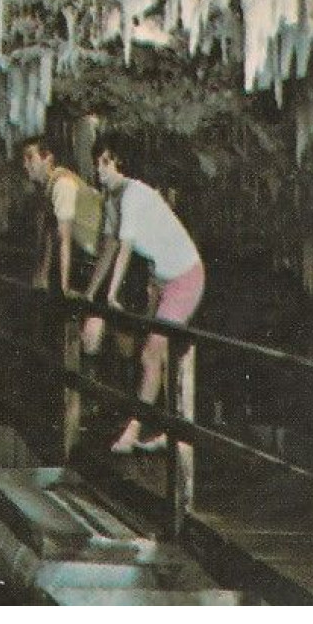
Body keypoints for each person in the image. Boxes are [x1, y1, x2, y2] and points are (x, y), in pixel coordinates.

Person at [92, 137, 206, 453]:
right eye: (98, 162)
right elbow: (112, 246)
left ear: (121, 165)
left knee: (150, 354)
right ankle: (174, 433)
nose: (99, 169)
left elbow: (125, 248)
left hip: (185, 277)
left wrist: (111, 294)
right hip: (162, 279)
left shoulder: (133, 195)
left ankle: (133, 431)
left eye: (106, 162)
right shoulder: (114, 198)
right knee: (158, 356)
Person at [19, 136, 103, 295]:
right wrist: (42, 275)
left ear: (48, 158)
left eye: (30, 158)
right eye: (24, 159)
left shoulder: (62, 185)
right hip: (95, 255)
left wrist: (63, 288)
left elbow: (63, 238)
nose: (25, 165)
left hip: (109, 256)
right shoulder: (49, 187)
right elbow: (49, 233)